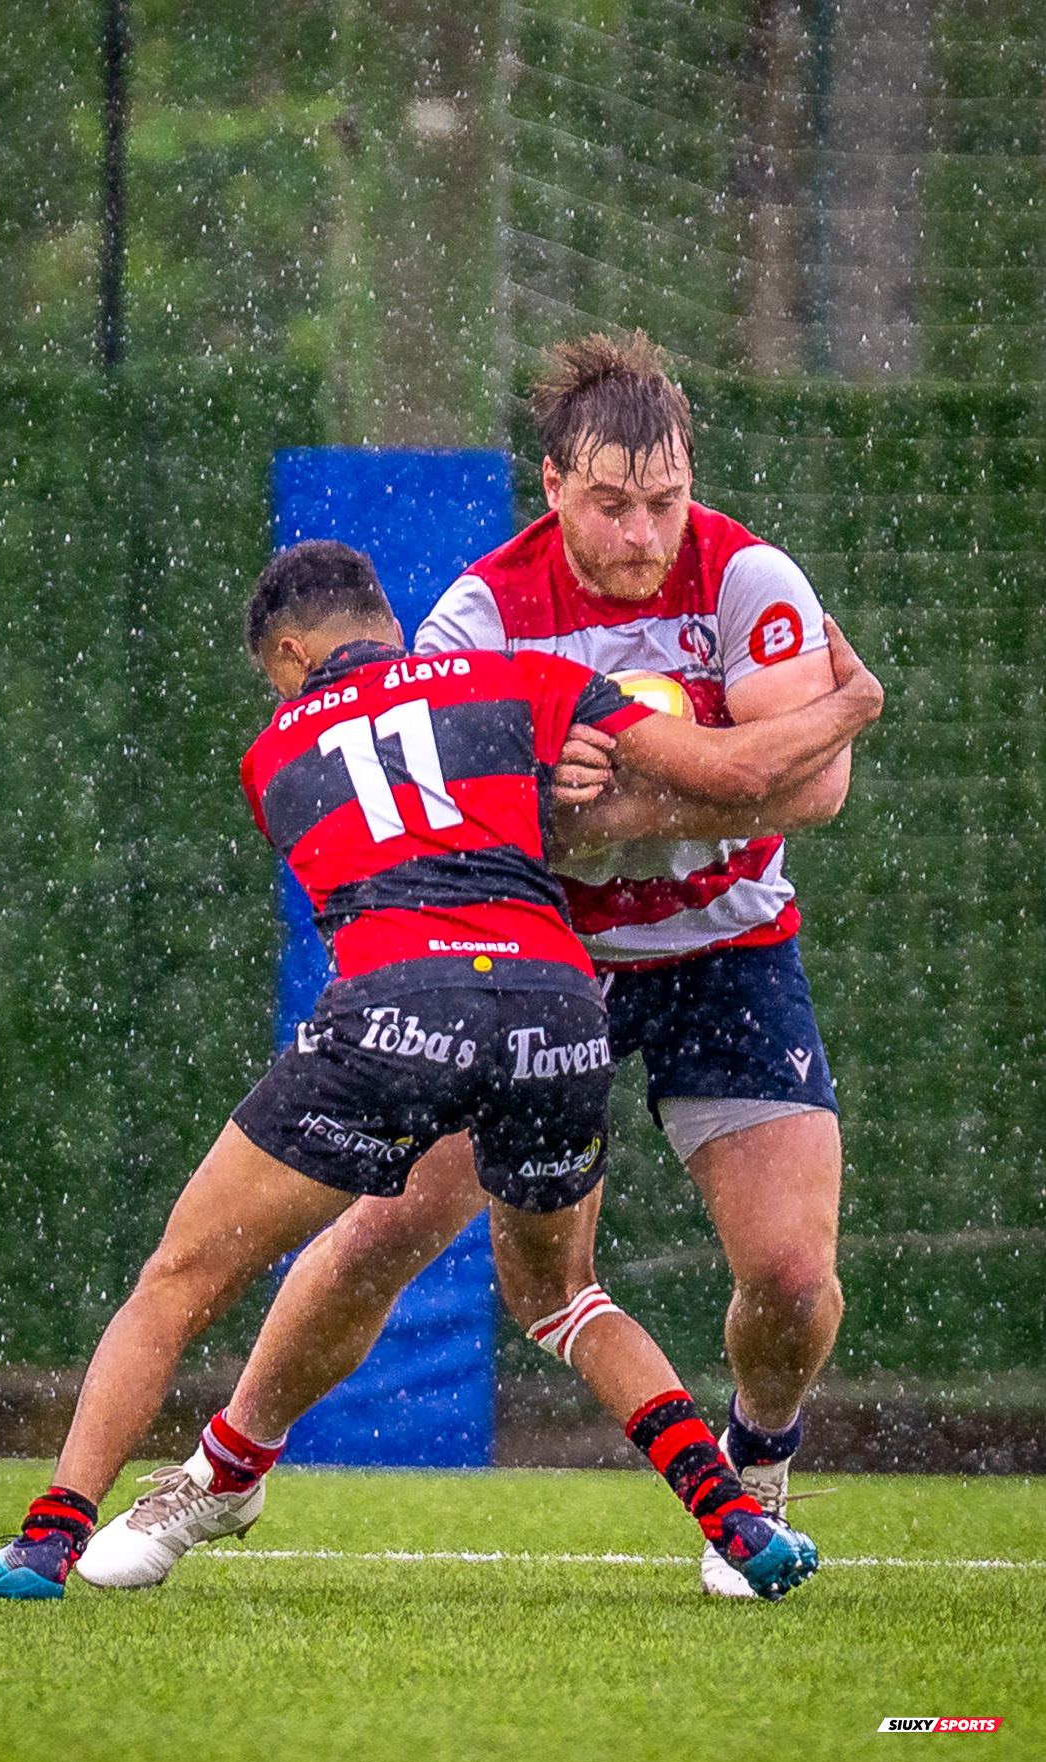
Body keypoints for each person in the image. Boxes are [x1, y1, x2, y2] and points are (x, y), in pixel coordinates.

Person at [0, 538, 880, 1603]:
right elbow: (735, 778)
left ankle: (45, 1543)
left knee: (181, 1278)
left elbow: (385, 851)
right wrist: (849, 702)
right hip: (556, 1003)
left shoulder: (272, 755)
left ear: (289, 654)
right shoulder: (525, 676)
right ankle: (734, 1520)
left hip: (400, 1015)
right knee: (561, 1299)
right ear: (389, 621)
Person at [137, 329, 864, 1604]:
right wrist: (662, 779)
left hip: (726, 950)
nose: (643, 536)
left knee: (794, 1280)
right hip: (545, 956)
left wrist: (620, 785)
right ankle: (224, 1468)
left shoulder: (747, 575)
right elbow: (483, 819)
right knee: (379, 1235)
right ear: (551, 486)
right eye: (610, 505)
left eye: (664, 500)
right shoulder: (478, 611)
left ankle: (754, 1460)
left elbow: (817, 786)